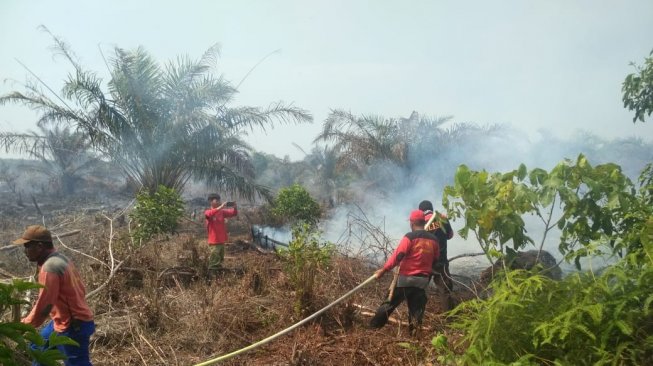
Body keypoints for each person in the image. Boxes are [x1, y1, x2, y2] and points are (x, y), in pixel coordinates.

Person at [13, 225, 95, 366]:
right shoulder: (61, 259)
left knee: (77, 363)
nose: (25, 251)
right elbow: (81, 289)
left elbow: (45, 306)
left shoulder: (50, 267)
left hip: (73, 325)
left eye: (27, 246)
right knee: (38, 349)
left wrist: (24, 325)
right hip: (62, 321)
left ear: (39, 246)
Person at [370, 210, 439, 335]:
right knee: (416, 311)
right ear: (424, 222)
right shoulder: (434, 240)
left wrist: (384, 270)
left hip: (405, 279)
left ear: (412, 223)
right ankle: (414, 337)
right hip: (422, 281)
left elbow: (398, 256)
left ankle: (372, 329)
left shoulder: (410, 237)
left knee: (388, 305)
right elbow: (435, 259)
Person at [419, 199, 455, 311]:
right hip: (441, 261)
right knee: (445, 289)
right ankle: (449, 317)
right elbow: (450, 235)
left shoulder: (420, 221)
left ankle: (418, 314)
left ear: (421, 211)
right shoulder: (442, 218)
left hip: (426, 262)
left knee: (420, 288)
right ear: (432, 209)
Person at [204, 193, 238, 278]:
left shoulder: (222, 212)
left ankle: (218, 278)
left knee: (220, 260)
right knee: (214, 262)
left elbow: (234, 213)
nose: (219, 201)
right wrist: (221, 207)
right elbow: (209, 214)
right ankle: (212, 279)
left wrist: (235, 206)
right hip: (214, 241)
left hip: (221, 240)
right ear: (210, 202)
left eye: (219, 200)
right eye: (217, 200)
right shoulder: (208, 212)